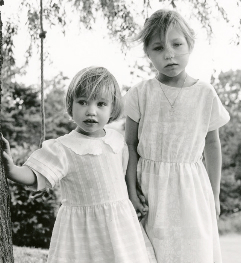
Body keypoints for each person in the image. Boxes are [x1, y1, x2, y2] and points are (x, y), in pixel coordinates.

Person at [2, 66, 156, 263]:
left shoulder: (117, 140)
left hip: (120, 224)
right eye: (82, 102)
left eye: (101, 104)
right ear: (71, 105)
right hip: (82, 229)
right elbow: (37, 174)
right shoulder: (64, 147)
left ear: (112, 108)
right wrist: (12, 170)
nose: (91, 111)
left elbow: (125, 175)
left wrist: (134, 197)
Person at [124, 9, 230, 263]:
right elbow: (130, 143)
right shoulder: (140, 93)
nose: (169, 54)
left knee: (193, 252)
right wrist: (131, 190)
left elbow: (212, 144)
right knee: (152, 253)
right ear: (148, 54)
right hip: (150, 189)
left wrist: (215, 195)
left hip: (191, 189)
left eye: (177, 44)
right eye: (158, 48)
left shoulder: (205, 93)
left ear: (190, 45)